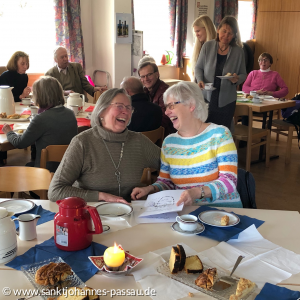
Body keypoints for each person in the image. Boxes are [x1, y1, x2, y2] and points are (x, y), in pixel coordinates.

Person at [131, 82, 242, 208]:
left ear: (191, 105)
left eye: (171, 106)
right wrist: (150, 189)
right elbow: (166, 182)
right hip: (187, 215)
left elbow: (229, 181)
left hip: (224, 212)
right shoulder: (170, 142)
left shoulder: (220, 135)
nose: (166, 112)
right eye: (166, 107)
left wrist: (197, 192)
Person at [48, 88, 161, 203]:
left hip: (129, 214)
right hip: (91, 213)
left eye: (128, 108)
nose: (126, 112)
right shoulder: (82, 143)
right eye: (120, 106)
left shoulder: (139, 141)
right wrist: (101, 196)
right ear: (101, 111)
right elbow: (56, 191)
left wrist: (153, 187)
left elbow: (173, 166)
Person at [2, 76, 78, 171]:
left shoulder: (41, 118)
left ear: (41, 96)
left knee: (25, 166)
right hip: (68, 168)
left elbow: (20, 143)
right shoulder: (70, 113)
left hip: (46, 170)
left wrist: (9, 132)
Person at [195, 16, 247, 130]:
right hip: (207, 99)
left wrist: (237, 79)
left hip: (227, 101)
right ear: (218, 29)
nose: (226, 36)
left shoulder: (238, 51)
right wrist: (200, 80)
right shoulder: (207, 46)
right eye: (224, 31)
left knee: (222, 133)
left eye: (230, 33)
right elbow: (198, 68)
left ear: (234, 35)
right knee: (205, 131)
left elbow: (243, 74)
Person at [138, 62, 175, 137]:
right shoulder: (145, 91)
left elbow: (165, 120)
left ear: (157, 74)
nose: (146, 79)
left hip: (165, 136)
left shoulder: (165, 92)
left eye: (149, 75)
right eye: (142, 76)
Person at [191, 15, 216, 81]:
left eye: (198, 31)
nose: (196, 34)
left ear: (207, 29)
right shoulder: (199, 47)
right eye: (195, 32)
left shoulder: (217, 47)